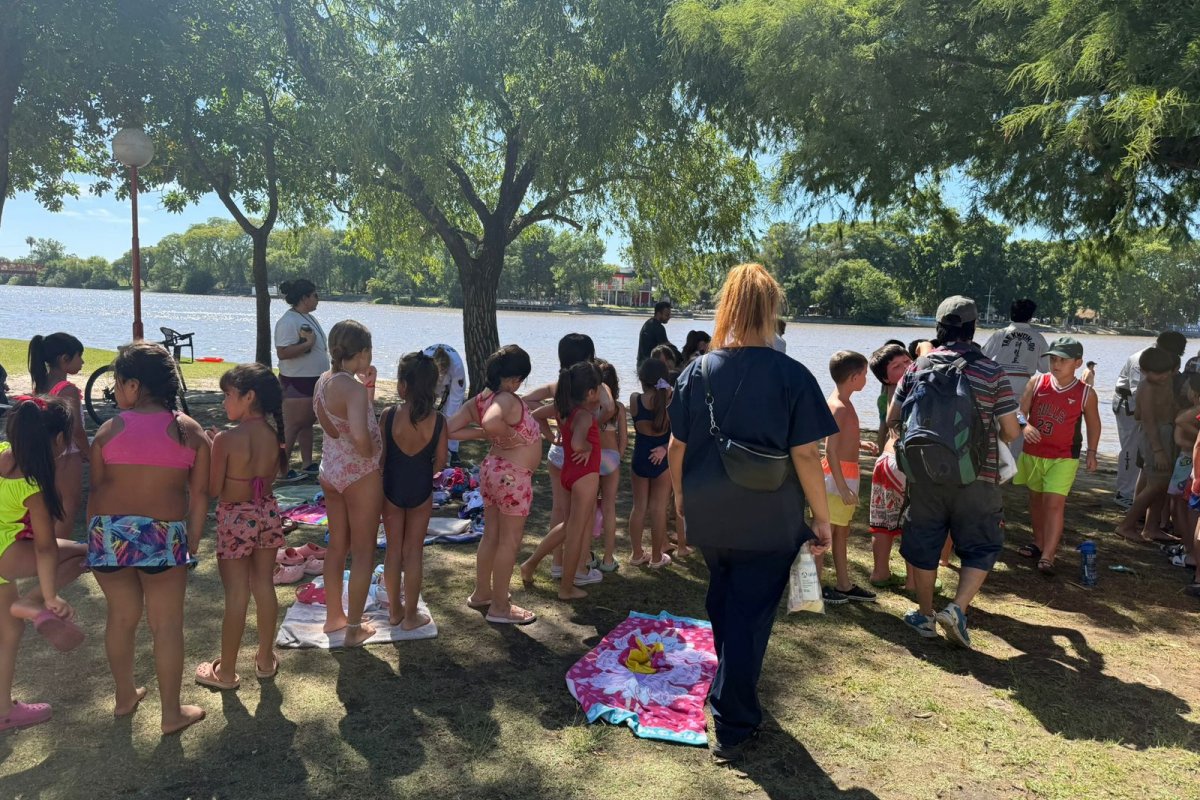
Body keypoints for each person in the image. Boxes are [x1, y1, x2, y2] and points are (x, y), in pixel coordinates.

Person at [667, 263, 836, 763]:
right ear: (772, 310)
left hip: (709, 511)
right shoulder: (793, 375)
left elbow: (677, 446)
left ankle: (730, 688)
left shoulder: (697, 370)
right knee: (748, 614)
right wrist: (822, 517)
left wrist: (679, 497)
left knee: (724, 599)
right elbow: (806, 455)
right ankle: (735, 721)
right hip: (770, 519)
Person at [88, 342, 210, 734]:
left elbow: (97, 490)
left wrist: (95, 540)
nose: (115, 391)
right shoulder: (191, 432)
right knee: (167, 625)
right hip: (162, 536)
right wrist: (193, 539)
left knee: (121, 618)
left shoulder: (107, 431)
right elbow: (200, 495)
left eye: (118, 383)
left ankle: (125, 696)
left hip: (108, 534)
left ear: (134, 385)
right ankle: (171, 713)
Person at [887, 295, 1020, 648]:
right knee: (981, 544)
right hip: (978, 475)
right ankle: (957, 608)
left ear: (938, 327)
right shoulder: (992, 371)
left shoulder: (917, 367)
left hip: (924, 474)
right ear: (974, 328)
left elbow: (892, 418)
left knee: (925, 541)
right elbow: (1011, 430)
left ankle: (925, 615)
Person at [195, 364, 288, 690]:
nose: (224, 402)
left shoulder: (226, 439)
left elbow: (214, 489)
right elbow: (268, 480)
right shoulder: (274, 436)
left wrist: (212, 449)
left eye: (228, 395)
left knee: (236, 593)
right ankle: (265, 659)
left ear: (249, 397)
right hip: (268, 513)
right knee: (264, 585)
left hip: (235, 518)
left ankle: (226, 672)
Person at [0, 397, 88, 732]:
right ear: (60, 440)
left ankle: (3, 710)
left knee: (9, 632)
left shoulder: (1, 452)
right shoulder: (32, 484)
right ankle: (32, 603)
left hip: (5, 553)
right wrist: (50, 596)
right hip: (6, 555)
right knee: (84, 554)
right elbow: (46, 548)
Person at [450, 346, 541, 624]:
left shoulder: (480, 400)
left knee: (491, 535)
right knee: (508, 541)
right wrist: (508, 435)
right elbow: (492, 422)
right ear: (513, 379)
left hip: (492, 471)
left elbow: (450, 429)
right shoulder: (506, 399)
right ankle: (500, 605)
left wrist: (482, 435)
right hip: (513, 477)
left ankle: (482, 593)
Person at [313, 320, 383, 647]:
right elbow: (358, 434)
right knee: (364, 550)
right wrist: (371, 453)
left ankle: (334, 617)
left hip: (331, 470)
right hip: (358, 474)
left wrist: (367, 388)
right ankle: (354, 628)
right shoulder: (351, 389)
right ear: (363, 352)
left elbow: (330, 426)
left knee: (337, 546)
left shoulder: (323, 381)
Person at [1013, 337, 1100, 576]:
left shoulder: (1086, 393)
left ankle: (1049, 555)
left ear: (1078, 363)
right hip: (1034, 453)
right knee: (1036, 500)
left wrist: (1092, 452)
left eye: (1063, 360)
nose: (1056, 364)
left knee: (1053, 504)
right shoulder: (1037, 382)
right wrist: (1025, 426)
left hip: (1064, 456)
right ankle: (1039, 542)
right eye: (1053, 359)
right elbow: (1020, 412)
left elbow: (1094, 425)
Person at [523, 362, 604, 600]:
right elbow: (578, 443)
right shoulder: (585, 416)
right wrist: (588, 447)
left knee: (568, 526)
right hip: (584, 476)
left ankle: (530, 564)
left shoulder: (561, 408)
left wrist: (550, 436)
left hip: (568, 472)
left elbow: (536, 415)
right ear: (590, 392)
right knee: (576, 532)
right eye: (599, 388)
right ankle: (566, 588)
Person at [380, 353, 447, 631]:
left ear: (403, 385)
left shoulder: (389, 415)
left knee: (393, 550)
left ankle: (394, 611)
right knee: (414, 553)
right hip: (420, 488)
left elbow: (381, 457)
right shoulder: (438, 420)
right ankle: (410, 615)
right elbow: (441, 461)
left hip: (391, 488)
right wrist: (424, 468)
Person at [821, 350, 879, 604]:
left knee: (841, 532)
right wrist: (842, 487)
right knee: (824, 533)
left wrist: (859, 443)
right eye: (865, 374)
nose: (867, 379)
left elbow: (841, 440)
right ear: (854, 377)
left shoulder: (844, 402)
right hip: (836, 479)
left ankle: (844, 584)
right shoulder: (839, 407)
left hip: (847, 474)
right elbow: (830, 450)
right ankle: (814, 587)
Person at [1113, 331, 1187, 508]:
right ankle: (1124, 492)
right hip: (1128, 406)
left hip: (1151, 409)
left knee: (1144, 456)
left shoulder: (1165, 359)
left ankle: (1138, 496)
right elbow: (1139, 393)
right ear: (1160, 347)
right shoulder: (1142, 360)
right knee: (1132, 447)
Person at [27, 333, 89, 539]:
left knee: (52, 501)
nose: (82, 362)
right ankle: (59, 547)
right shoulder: (67, 390)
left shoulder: (41, 384)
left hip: (47, 450)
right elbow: (76, 429)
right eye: (79, 356)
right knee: (68, 503)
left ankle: (48, 544)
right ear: (64, 359)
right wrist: (89, 453)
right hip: (68, 453)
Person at [1116, 346, 1181, 544]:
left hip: (1168, 431)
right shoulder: (1146, 387)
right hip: (1154, 437)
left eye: (1166, 373)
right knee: (1156, 484)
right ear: (1144, 371)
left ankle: (1152, 528)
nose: (1163, 377)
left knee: (1163, 483)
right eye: (1158, 374)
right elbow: (1146, 419)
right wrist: (1158, 450)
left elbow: (1168, 406)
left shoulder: (1165, 381)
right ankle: (1126, 525)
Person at [274, 279, 329, 481]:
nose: (318, 299)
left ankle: (307, 463)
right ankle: (280, 470)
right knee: (293, 425)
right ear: (304, 298)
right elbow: (282, 352)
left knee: (307, 423)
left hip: (313, 379)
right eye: (315, 295)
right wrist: (307, 345)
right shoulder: (288, 321)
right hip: (297, 381)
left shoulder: (306, 317)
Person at [981, 299, 1048, 459]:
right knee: (1020, 421)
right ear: (1030, 316)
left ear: (1011, 314)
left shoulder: (1000, 334)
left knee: (996, 422)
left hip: (999, 383)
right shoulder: (1038, 338)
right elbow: (1045, 368)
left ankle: (993, 459)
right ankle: (1014, 463)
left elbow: (983, 357)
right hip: (1024, 385)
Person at [627, 358, 675, 569]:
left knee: (639, 507)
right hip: (662, 459)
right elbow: (680, 431)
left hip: (640, 457)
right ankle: (656, 557)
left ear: (641, 378)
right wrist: (664, 448)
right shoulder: (669, 401)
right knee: (658, 509)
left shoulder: (634, 399)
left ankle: (637, 553)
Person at [590, 361, 626, 572]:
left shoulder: (591, 405)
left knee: (588, 506)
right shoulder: (618, 408)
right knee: (609, 507)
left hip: (593, 457)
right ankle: (608, 559)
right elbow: (623, 439)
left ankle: (586, 555)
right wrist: (617, 459)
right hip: (611, 458)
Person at [422, 344, 467, 465]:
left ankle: (452, 450)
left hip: (452, 381)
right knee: (423, 408)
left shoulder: (457, 368)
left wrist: (448, 425)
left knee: (451, 414)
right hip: (427, 376)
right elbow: (420, 394)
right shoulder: (423, 363)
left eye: (442, 373)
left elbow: (454, 403)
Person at [870, 342, 912, 447]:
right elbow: (891, 422)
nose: (906, 367)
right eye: (896, 366)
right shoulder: (895, 388)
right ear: (885, 379)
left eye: (907, 361)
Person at [637, 300, 672, 366]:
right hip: (650, 364)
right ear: (658, 314)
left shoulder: (648, 323)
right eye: (667, 315)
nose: (669, 317)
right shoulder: (658, 327)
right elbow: (668, 347)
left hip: (641, 363)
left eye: (670, 314)